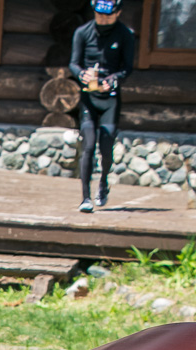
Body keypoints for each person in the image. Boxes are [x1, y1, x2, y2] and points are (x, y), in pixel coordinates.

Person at [70, 0, 135, 213]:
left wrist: (113, 79)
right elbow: (74, 63)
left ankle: (104, 182)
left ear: (118, 13)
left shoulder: (125, 34)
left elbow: (127, 67)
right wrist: (82, 74)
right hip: (89, 98)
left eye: (107, 15)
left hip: (110, 99)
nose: (103, 19)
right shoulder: (82, 33)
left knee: (106, 146)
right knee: (88, 145)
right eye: (99, 15)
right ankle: (85, 197)